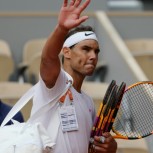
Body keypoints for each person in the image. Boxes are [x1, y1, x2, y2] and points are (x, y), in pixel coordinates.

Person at [31, 0, 117, 152]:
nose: (93, 56)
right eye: (86, 49)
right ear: (66, 52)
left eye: (96, 51)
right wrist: (61, 29)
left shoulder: (88, 101)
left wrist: (108, 147)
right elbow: (48, 58)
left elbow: (91, 148)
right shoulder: (55, 84)